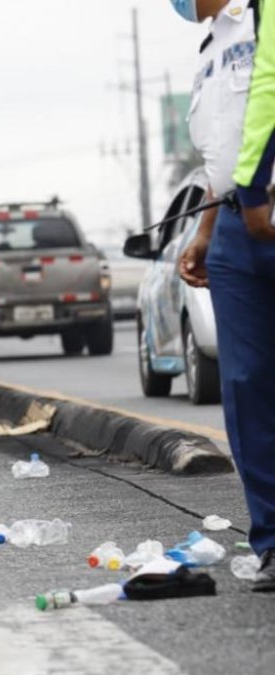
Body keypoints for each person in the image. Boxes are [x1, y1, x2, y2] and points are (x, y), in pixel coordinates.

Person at [174, 0, 275, 591]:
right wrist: (204, 232)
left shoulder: (260, 19)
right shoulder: (209, 51)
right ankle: (272, 542)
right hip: (236, 226)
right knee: (244, 385)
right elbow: (220, 157)